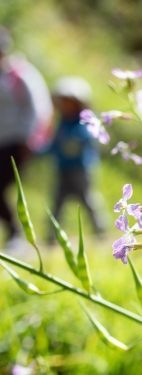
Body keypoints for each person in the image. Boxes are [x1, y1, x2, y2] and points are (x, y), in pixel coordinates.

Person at [0, 26, 52, 247]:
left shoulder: (20, 74)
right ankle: (15, 234)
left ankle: (17, 235)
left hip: (18, 144)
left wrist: (29, 140)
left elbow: (38, 108)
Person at [47, 77, 105, 235]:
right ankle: (51, 236)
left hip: (80, 170)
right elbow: (54, 144)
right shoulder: (62, 123)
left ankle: (101, 231)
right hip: (63, 170)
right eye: (63, 102)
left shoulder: (85, 121)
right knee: (57, 203)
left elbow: (86, 137)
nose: (66, 105)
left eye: (69, 101)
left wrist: (73, 138)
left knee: (89, 201)